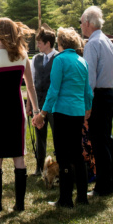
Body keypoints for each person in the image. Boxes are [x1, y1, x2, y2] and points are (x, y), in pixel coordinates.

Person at [0, 17, 39, 212]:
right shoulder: (22, 56)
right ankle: (19, 205)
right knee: (18, 157)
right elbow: (30, 86)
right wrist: (36, 111)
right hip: (16, 108)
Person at [32, 27, 92, 208]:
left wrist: (42, 113)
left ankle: (65, 198)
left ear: (60, 43)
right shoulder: (82, 61)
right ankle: (82, 196)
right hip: (78, 112)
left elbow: (54, 90)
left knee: (64, 156)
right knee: (77, 154)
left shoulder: (60, 60)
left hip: (62, 113)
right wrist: (88, 109)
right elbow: (87, 91)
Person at [80, 5, 113, 197]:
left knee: (99, 143)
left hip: (98, 96)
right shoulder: (108, 42)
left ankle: (103, 187)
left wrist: (87, 104)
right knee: (107, 140)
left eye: (81, 22)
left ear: (89, 23)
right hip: (109, 95)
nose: (80, 26)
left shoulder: (92, 44)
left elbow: (89, 78)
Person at [29, 25, 58, 176]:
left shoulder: (58, 58)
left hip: (54, 105)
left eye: (40, 42)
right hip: (39, 103)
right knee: (39, 136)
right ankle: (39, 167)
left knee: (57, 134)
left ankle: (59, 166)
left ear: (47, 43)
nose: (37, 45)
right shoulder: (35, 59)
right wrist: (30, 105)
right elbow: (31, 83)